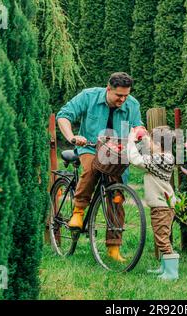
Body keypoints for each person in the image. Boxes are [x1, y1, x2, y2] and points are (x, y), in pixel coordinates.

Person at [56, 72, 145, 262]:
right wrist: (72, 137)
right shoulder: (88, 96)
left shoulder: (132, 105)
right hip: (88, 147)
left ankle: (114, 247)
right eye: (118, 95)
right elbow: (63, 115)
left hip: (115, 154)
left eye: (126, 95)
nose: (123, 99)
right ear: (108, 89)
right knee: (91, 169)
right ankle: (78, 212)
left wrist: (141, 137)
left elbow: (138, 129)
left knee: (117, 196)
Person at [127, 125, 180, 280]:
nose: (149, 143)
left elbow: (136, 160)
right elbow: (148, 153)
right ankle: (164, 268)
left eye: (151, 141)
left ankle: (171, 273)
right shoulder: (164, 156)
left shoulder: (162, 159)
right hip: (162, 205)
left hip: (162, 206)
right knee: (161, 236)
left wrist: (131, 141)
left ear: (157, 145)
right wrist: (145, 139)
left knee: (162, 238)